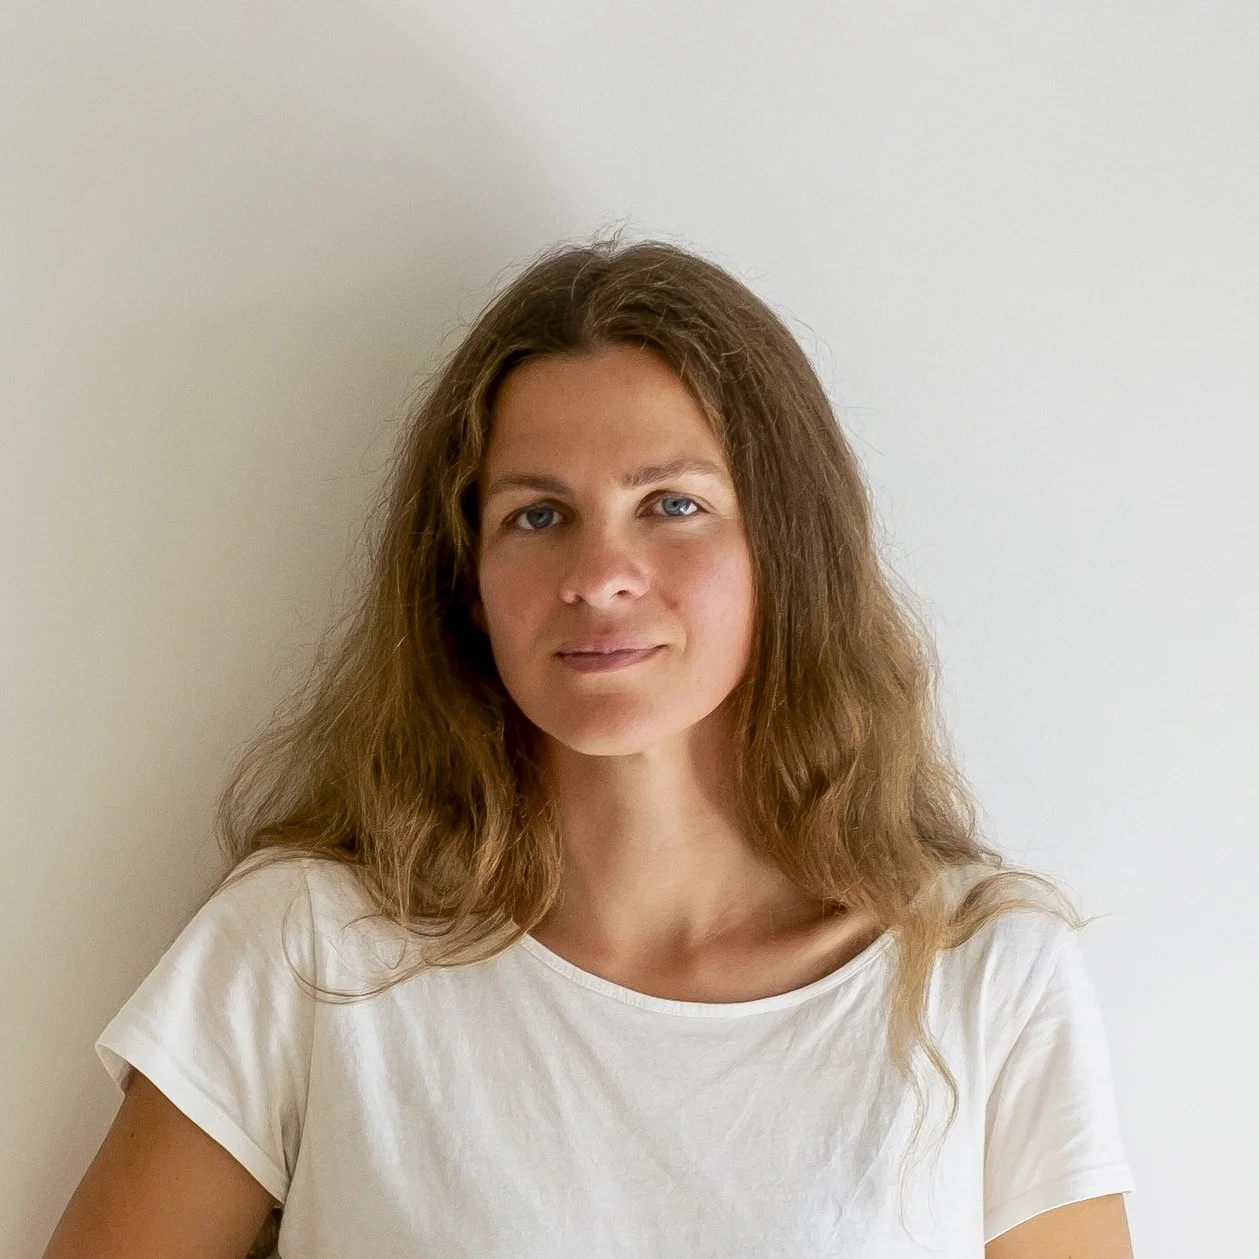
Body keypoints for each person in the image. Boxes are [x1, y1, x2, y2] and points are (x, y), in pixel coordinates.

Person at [43, 233, 1136, 1258]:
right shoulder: (309, 952)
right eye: (535, 514)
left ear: (787, 551)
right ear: (465, 581)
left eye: (670, 502)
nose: (598, 572)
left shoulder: (979, 976)